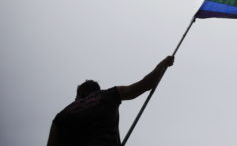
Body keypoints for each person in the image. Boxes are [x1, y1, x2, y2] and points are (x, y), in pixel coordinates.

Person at [46, 55, 174, 146]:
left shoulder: (61, 116)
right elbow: (145, 84)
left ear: (79, 95)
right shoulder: (108, 95)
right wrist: (163, 64)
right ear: (96, 91)